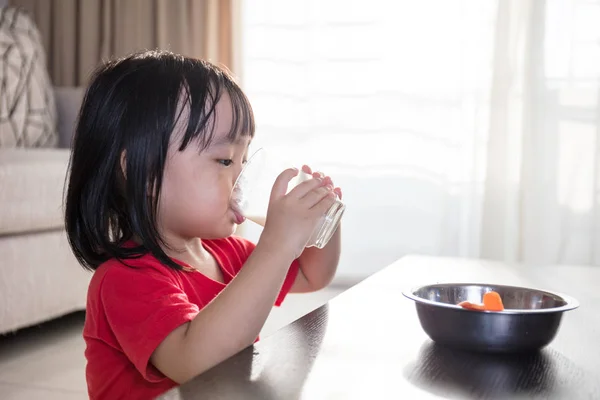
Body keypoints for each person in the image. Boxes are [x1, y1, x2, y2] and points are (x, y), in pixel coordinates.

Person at [64, 50, 342, 400]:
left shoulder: (228, 253)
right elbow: (195, 362)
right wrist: (276, 246)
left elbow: (312, 275)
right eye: (225, 159)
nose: (242, 175)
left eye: (244, 158)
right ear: (143, 171)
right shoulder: (124, 279)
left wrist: (321, 221)